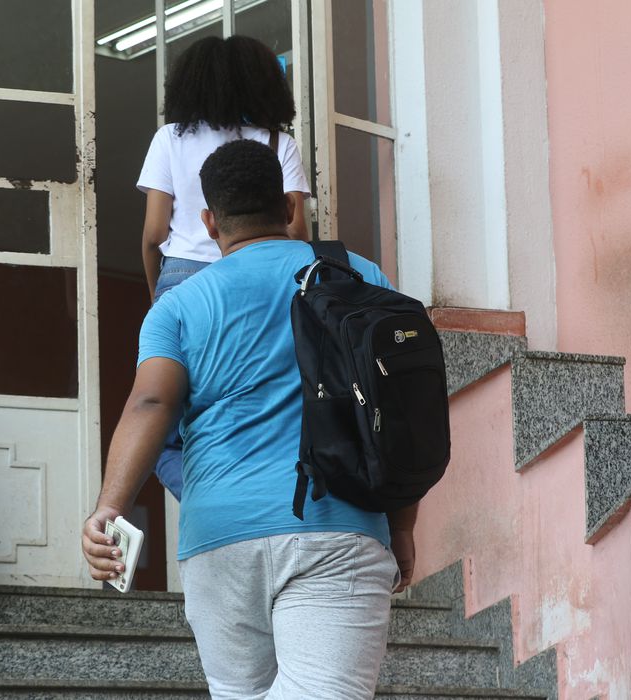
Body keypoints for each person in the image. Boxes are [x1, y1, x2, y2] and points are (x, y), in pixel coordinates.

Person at [82, 140, 418, 699]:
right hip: (338, 528)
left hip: (218, 542)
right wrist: (402, 526)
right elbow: (402, 407)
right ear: (288, 207)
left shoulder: (178, 305)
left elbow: (150, 405)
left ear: (209, 222)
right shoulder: (360, 279)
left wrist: (108, 509)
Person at [138, 34, 312, 501]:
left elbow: (154, 234)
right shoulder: (277, 142)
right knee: (254, 400)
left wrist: (159, 294)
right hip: (263, 279)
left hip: (183, 278)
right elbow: (298, 231)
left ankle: (209, 502)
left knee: (163, 429)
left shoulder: (170, 139)